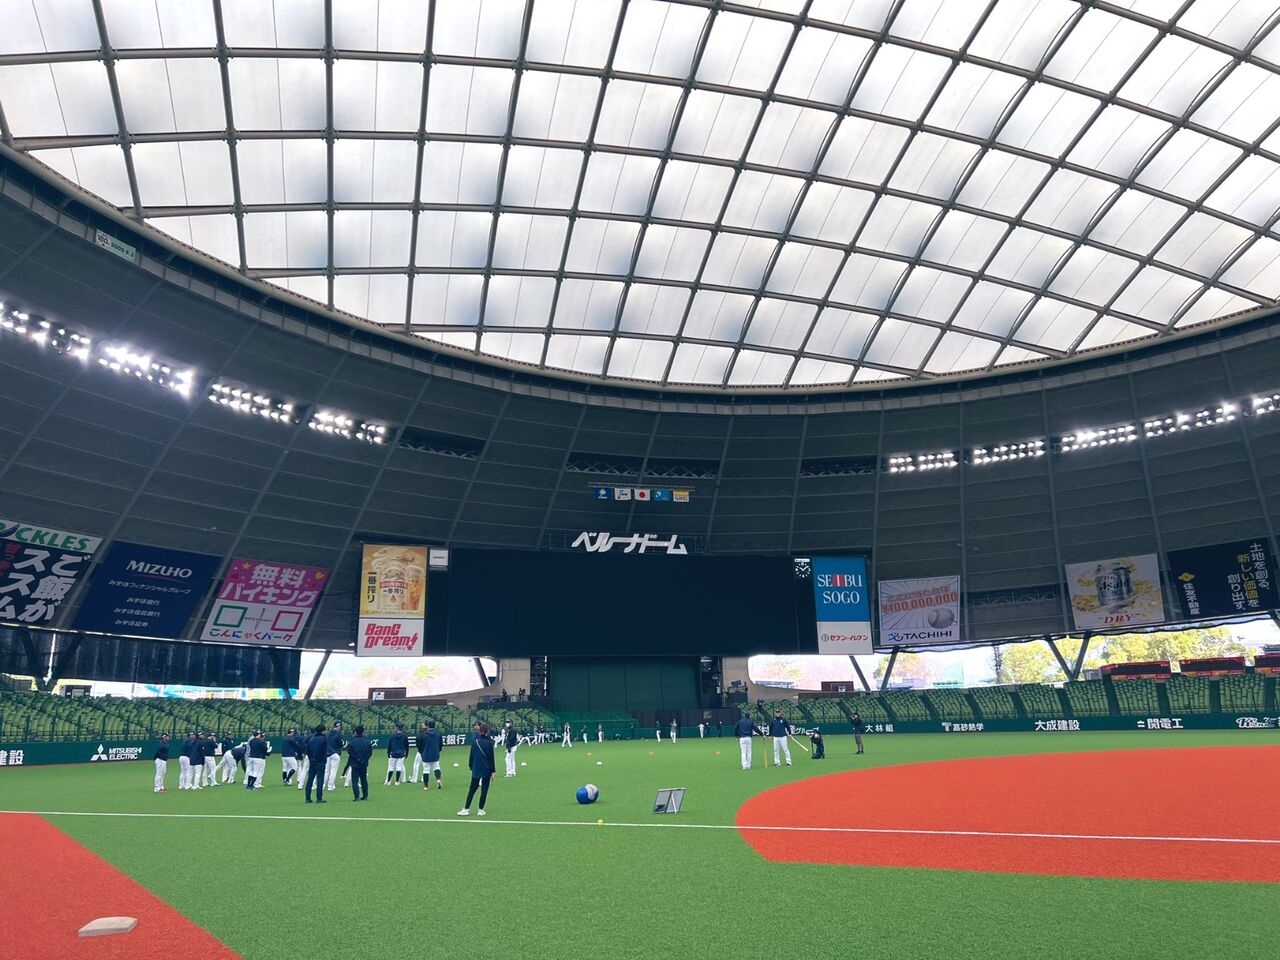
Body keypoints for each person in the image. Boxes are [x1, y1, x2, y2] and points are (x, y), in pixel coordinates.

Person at [458, 722, 496, 817]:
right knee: (484, 790)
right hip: (486, 769)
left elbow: (472, 755)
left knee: (472, 789)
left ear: (479, 731)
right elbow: (491, 758)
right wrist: (493, 771)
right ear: (487, 732)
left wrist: (471, 766)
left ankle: (466, 809)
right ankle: (480, 810)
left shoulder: (475, 742)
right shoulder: (490, 743)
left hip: (476, 768)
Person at [347, 724, 373, 801]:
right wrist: (365, 759)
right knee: (364, 779)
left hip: (355, 763)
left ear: (355, 732)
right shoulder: (367, 741)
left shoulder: (352, 742)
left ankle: (356, 796)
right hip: (364, 763)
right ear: (363, 732)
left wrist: (357, 759)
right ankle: (365, 795)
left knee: (355, 780)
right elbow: (370, 752)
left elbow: (350, 752)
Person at [304, 725, 328, 804]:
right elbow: (322, 751)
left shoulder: (311, 738)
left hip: (312, 761)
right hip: (320, 762)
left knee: (310, 779)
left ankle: (307, 798)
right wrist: (320, 759)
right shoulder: (324, 739)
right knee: (320, 780)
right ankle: (319, 798)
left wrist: (311, 758)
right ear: (323, 731)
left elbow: (307, 750)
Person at [419, 719, 444, 791]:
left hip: (426, 754)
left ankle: (426, 786)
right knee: (436, 767)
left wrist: (421, 752)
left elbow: (420, 745)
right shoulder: (438, 734)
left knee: (426, 770)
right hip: (435, 753)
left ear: (427, 726)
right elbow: (440, 744)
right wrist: (438, 751)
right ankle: (438, 779)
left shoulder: (424, 735)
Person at [324, 721, 344, 792]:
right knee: (333, 771)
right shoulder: (338, 734)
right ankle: (330, 786)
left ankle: (323, 786)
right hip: (335, 753)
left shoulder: (328, 734)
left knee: (326, 771)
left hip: (327, 754)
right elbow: (340, 744)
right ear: (338, 726)